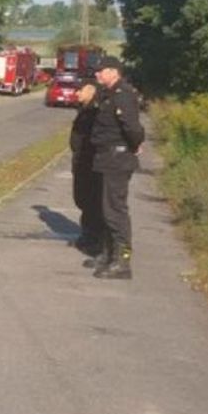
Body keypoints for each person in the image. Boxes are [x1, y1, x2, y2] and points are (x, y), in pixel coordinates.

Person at [89, 56, 145, 279]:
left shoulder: (123, 95)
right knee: (105, 208)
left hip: (117, 158)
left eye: (100, 71)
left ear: (113, 72)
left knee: (115, 210)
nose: (97, 74)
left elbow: (133, 128)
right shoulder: (109, 94)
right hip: (106, 157)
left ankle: (122, 261)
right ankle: (108, 253)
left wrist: (135, 144)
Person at [69, 82, 104, 259]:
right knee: (81, 198)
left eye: (80, 90)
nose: (76, 93)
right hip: (80, 160)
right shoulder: (83, 109)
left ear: (90, 91)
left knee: (90, 201)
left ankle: (93, 237)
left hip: (88, 161)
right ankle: (87, 233)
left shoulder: (94, 112)